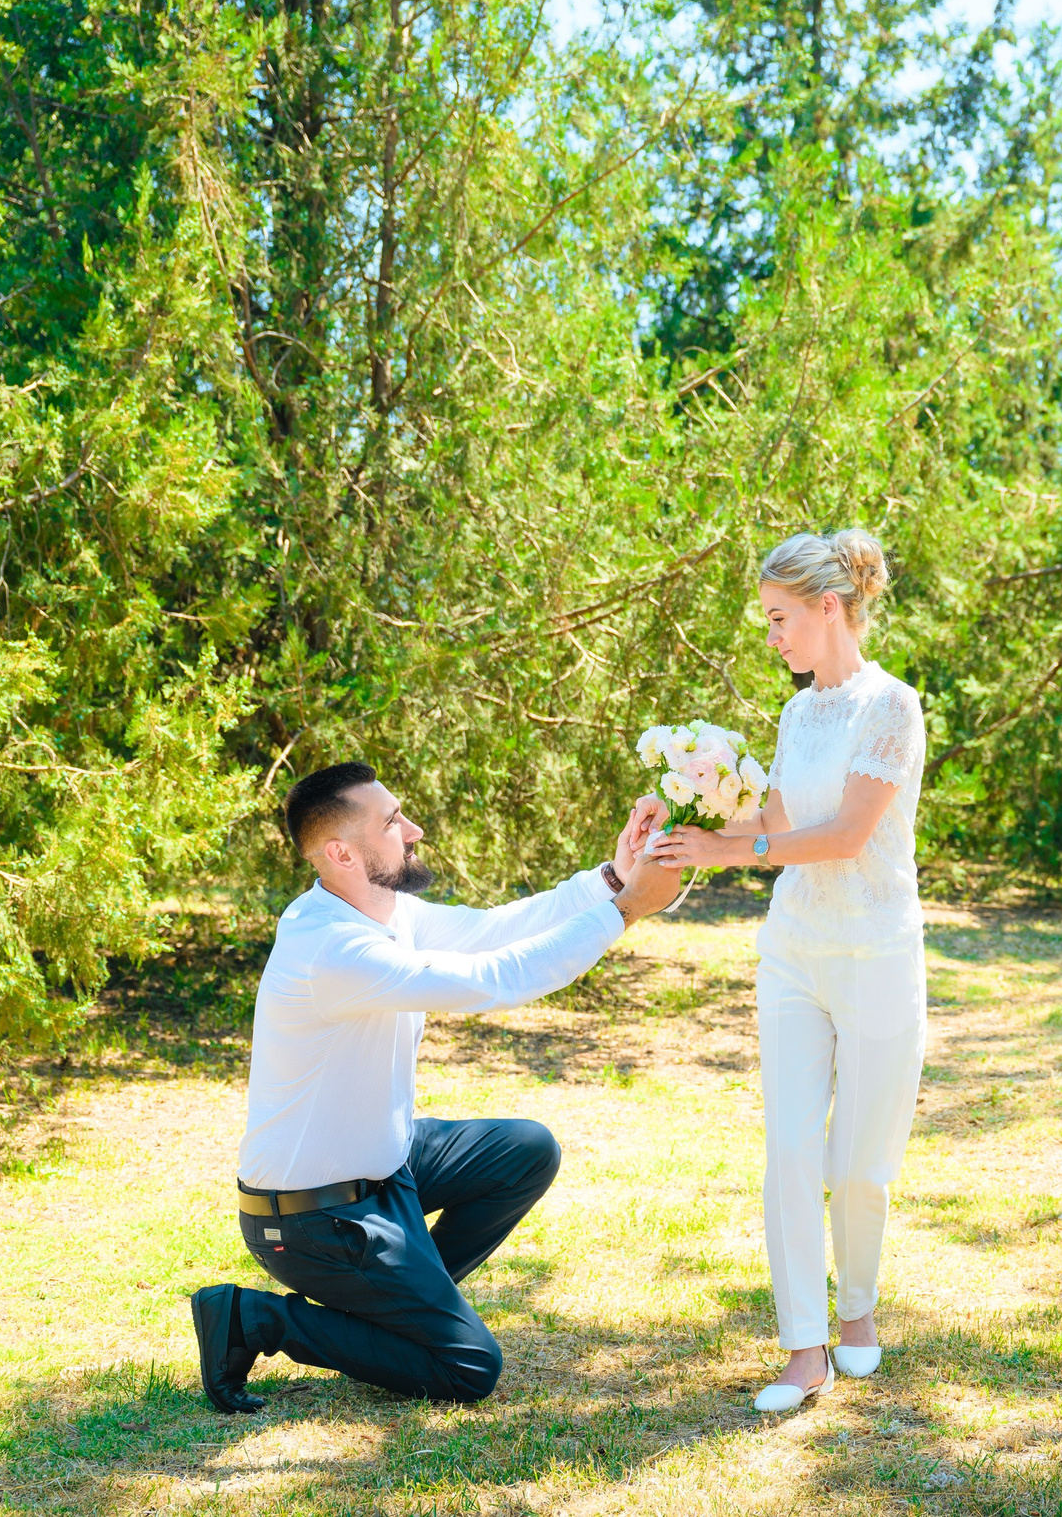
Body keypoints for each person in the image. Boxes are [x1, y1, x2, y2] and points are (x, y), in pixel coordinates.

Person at [190, 762, 679, 1413]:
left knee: (526, 1149)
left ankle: (391, 1320)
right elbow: (492, 978)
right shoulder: (332, 947)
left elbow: (495, 930)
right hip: (314, 1217)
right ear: (342, 852)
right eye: (392, 822)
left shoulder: (385, 911)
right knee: (468, 1365)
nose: (413, 829)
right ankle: (251, 1318)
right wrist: (624, 912)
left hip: (384, 1165)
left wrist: (612, 878)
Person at [648, 528, 926, 1413]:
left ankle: (859, 1315)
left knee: (861, 1162)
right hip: (795, 954)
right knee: (791, 1149)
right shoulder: (798, 712)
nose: (771, 637)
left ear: (828, 608)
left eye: (779, 619)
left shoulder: (893, 707)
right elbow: (767, 834)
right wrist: (692, 834)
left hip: (879, 952)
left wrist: (747, 847)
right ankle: (804, 1349)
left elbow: (842, 837)